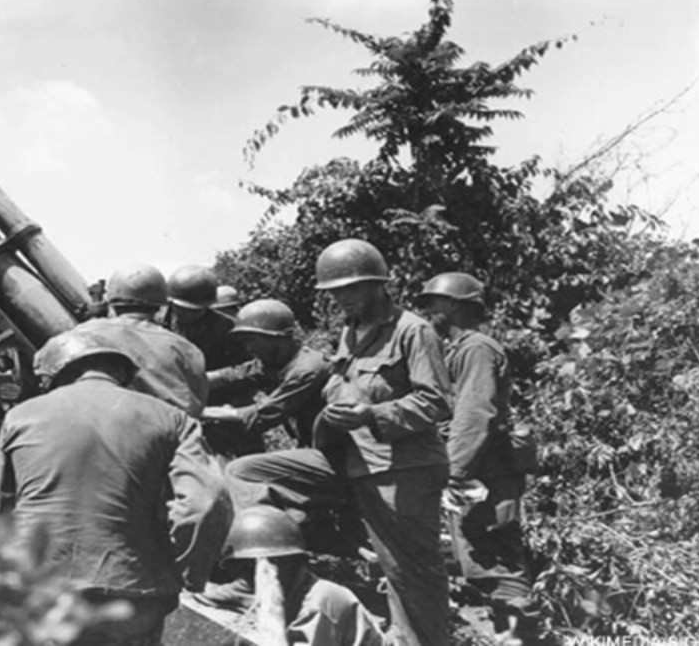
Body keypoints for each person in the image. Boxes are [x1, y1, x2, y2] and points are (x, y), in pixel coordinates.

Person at [226, 238, 453, 646]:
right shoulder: (351, 330)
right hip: (348, 457)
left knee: (408, 570)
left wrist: (373, 413)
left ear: (378, 284)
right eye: (334, 292)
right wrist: (337, 398)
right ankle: (268, 571)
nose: (341, 299)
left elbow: (436, 401)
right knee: (247, 472)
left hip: (402, 467)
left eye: (350, 289)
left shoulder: (412, 331)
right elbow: (339, 379)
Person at [0, 331, 232, 646]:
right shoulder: (172, 419)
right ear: (122, 372)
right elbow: (204, 502)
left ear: (56, 375)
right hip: (132, 587)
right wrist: (190, 574)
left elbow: (2, 513)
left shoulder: (19, 417)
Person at [414, 272, 538, 635]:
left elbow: (474, 413)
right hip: (476, 472)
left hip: (485, 473)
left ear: (455, 305)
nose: (426, 311)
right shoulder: (457, 349)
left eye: (432, 303)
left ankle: (520, 638)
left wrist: (453, 473)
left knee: (498, 567)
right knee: (479, 561)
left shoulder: (476, 348)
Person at [209, 505, 384, 646]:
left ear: (295, 562)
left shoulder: (322, 600)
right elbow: (210, 602)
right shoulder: (259, 587)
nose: (262, 575)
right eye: (244, 569)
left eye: (271, 564)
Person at [69, 262, 208, 416]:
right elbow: (197, 403)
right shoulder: (186, 349)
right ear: (160, 306)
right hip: (163, 427)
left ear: (110, 302)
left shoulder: (75, 338)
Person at [204, 299, 331, 457]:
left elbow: (265, 415)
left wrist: (203, 412)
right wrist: (183, 381)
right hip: (312, 446)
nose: (248, 348)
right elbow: (230, 375)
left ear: (276, 338)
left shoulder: (307, 369)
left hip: (336, 455)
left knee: (242, 468)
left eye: (251, 340)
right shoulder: (276, 361)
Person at [167, 264, 248, 372]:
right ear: (170, 303)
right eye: (182, 309)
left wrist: (213, 377)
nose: (189, 315)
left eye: (196, 311)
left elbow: (243, 366)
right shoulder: (153, 323)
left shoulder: (225, 327)